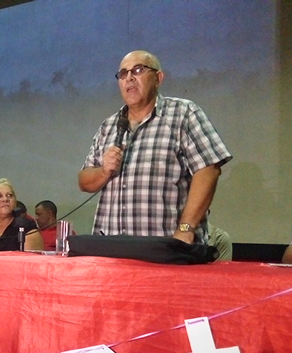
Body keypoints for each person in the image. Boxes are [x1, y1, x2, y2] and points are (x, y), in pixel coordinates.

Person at [78, 50, 232, 245]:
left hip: (166, 248)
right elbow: (84, 181)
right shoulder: (109, 126)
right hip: (112, 249)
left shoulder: (182, 113)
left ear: (158, 78)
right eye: (123, 74)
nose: (130, 78)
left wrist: (186, 229)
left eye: (138, 70)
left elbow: (209, 169)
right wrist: (104, 171)